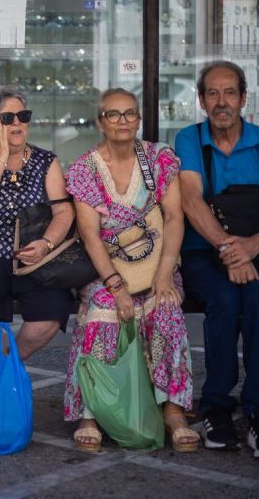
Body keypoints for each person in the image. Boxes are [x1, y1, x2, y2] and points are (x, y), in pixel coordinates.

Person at [175, 61, 259, 460]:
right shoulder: (189, 140)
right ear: (201, 100)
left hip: (256, 252)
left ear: (244, 98)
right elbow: (191, 201)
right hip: (202, 252)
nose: (221, 102)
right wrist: (231, 250)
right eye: (212, 93)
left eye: (230, 93)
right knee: (225, 301)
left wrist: (254, 244)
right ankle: (216, 406)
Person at [62, 88, 197, 454]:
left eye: (129, 114)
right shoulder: (85, 169)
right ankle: (90, 411)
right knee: (101, 314)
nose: (122, 121)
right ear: (100, 122)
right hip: (107, 268)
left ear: (138, 119)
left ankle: (173, 409)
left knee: (166, 308)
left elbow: (174, 217)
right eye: (113, 114)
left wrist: (166, 273)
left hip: (158, 264)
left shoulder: (159, 159)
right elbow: (89, 235)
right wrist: (117, 287)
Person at [0, 86, 75, 362]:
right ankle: (7, 382)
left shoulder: (46, 161)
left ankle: (7, 368)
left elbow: (63, 211)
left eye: (23, 115)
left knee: (48, 319)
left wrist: (46, 244)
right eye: (7, 118)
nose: (18, 123)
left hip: (33, 258)